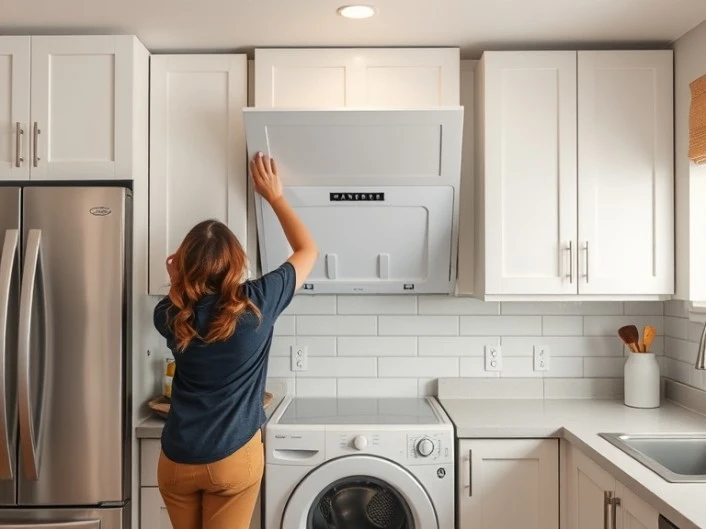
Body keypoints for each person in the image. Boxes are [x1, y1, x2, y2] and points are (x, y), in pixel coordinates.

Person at [153, 153, 317, 529]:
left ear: (181, 263)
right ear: (236, 263)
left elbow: (179, 294)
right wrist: (275, 197)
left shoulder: (168, 314)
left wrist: (177, 276)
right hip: (231, 458)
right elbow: (308, 250)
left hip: (176, 460)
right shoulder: (257, 304)